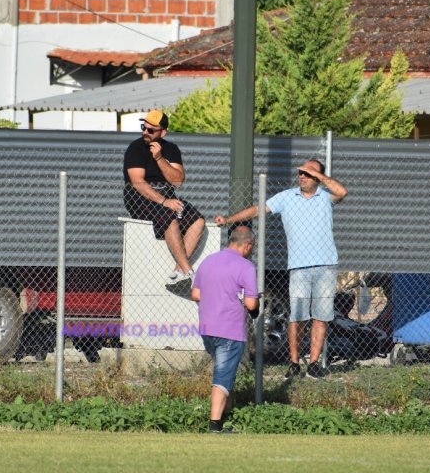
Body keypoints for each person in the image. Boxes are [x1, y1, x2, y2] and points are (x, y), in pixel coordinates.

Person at [215, 159, 348, 380]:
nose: (302, 176)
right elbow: (259, 209)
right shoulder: (287, 197)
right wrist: (229, 219)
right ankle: (294, 364)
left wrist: (320, 176)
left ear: (318, 176)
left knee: (321, 316)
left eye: (307, 173)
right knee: (297, 317)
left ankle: (314, 364)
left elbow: (342, 191)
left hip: (326, 265)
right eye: (300, 173)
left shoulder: (325, 196)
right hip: (298, 267)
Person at [123, 109, 205, 288]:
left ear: (163, 132)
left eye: (151, 130)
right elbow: (137, 182)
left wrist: (160, 159)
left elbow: (178, 180)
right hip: (139, 198)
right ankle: (188, 272)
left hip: (167, 196)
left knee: (198, 221)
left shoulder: (171, 149)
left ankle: (177, 273)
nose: (145, 132)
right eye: (143, 127)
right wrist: (164, 201)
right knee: (169, 217)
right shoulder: (135, 148)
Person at [191, 225, 260, 433]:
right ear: (247, 245)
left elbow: (196, 294)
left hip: (207, 328)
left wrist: (217, 298)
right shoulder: (246, 267)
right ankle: (215, 425)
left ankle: (225, 412)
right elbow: (251, 304)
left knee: (226, 371)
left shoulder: (208, 261)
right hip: (229, 330)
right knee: (222, 376)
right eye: (252, 247)